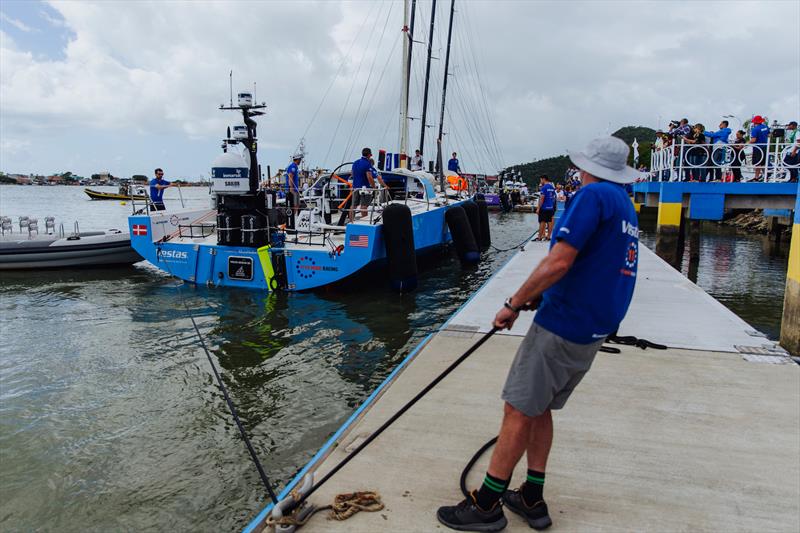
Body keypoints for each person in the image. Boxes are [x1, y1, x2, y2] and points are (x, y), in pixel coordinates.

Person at [436, 137, 640, 532]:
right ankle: (531, 496)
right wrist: (539, 296)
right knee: (539, 407)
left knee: (517, 408)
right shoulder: (624, 204)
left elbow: (559, 259)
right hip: (593, 328)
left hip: (564, 325)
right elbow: (595, 263)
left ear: (588, 168)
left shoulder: (593, 195)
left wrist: (514, 303)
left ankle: (487, 505)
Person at [350, 147, 378, 221]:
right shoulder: (367, 163)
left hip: (355, 187)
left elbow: (352, 174)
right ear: (370, 155)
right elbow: (369, 177)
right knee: (364, 206)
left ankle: (351, 221)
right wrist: (374, 187)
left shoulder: (355, 162)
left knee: (353, 206)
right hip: (365, 188)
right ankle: (364, 222)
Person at [749, 115, 770, 181]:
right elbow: (769, 135)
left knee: (757, 163)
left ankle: (756, 177)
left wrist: (746, 144)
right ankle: (765, 176)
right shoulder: (766, 127)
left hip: (758, 148)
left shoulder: (755, 129)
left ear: (755, 122)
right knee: (764, 162)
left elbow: (753, 140)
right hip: (765, 147)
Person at [536, 175, 556, 241]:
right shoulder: (552, 187)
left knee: (542, 222)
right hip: (550, 207)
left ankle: (539, 237)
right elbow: (553, 198)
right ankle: (548, 237)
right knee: (550, 222)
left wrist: (538, 208)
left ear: (544, 179)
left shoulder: (544, 187)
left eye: (541, 180)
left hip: (544, 208)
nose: (540, 181)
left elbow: (542, 198)